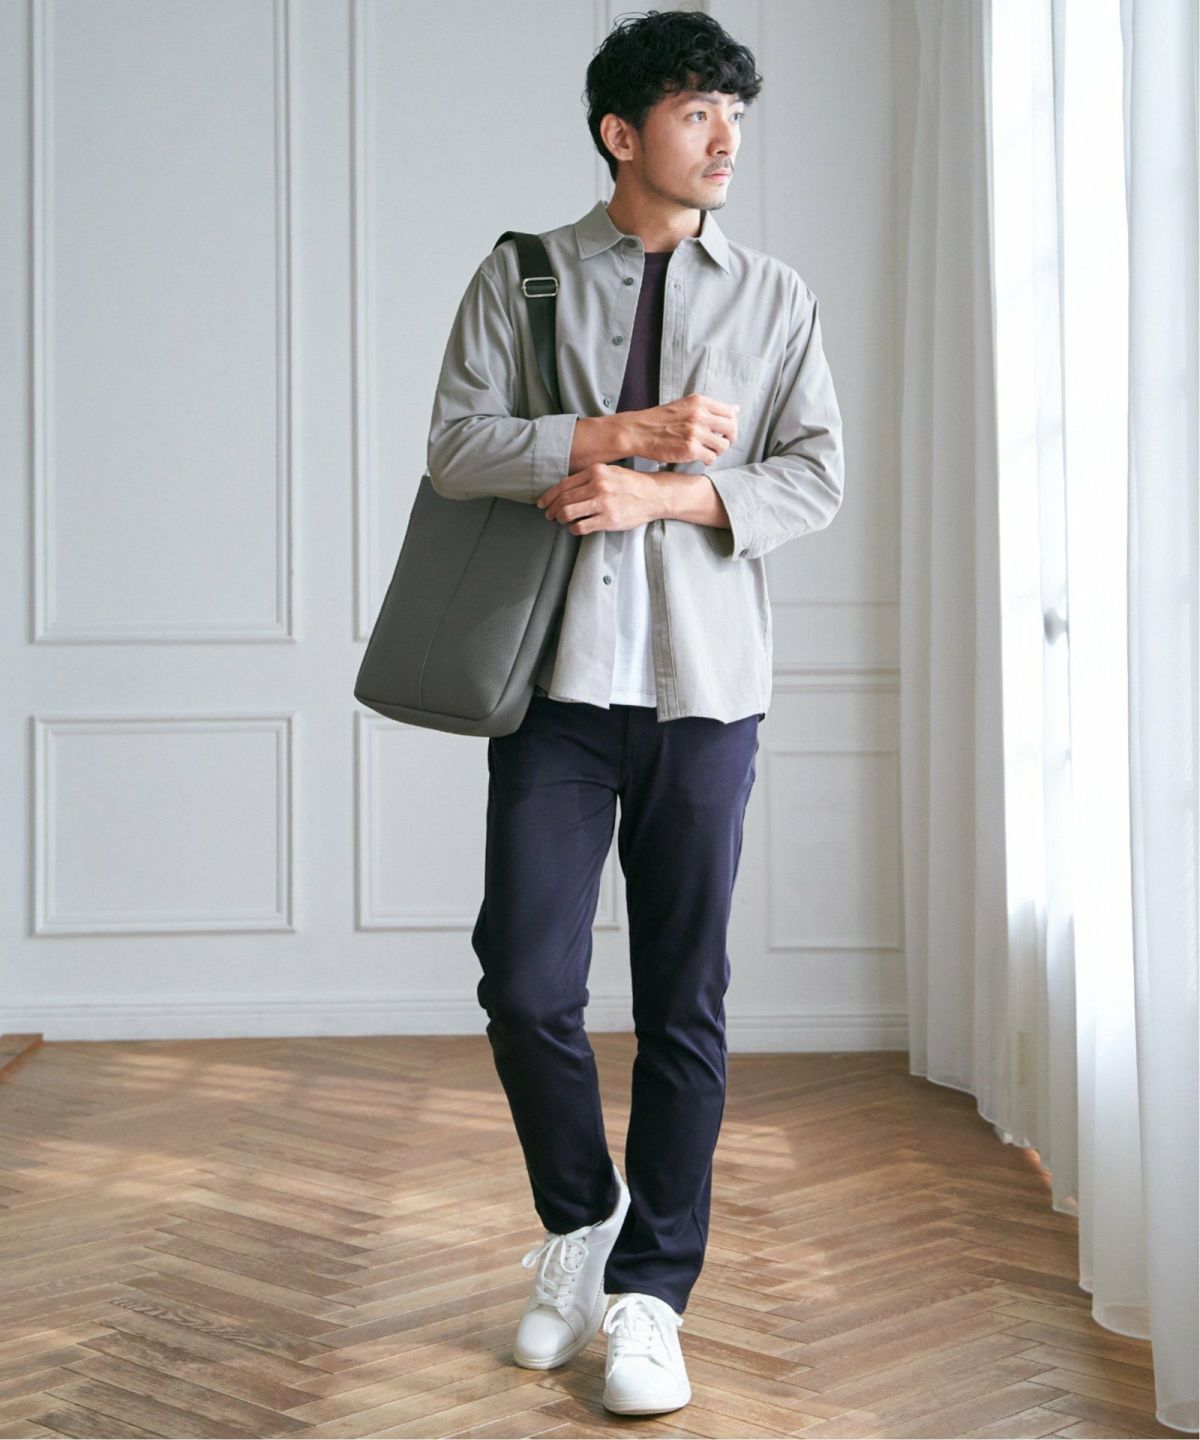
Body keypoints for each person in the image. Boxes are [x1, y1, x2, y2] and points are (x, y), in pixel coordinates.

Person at [425, 8, 844, 1417]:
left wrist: (666, 495)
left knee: (683, 998)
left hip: (705, 695)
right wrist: (616, 435)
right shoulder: (522, 276)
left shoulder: (775, 297)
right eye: (696, 111)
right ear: (622, 132)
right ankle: (583, 1220)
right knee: (524, 981)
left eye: (737, 113)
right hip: (551, 686)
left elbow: (816, 474)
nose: (725, 138)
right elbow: (458, 444)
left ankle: (653, 1295)